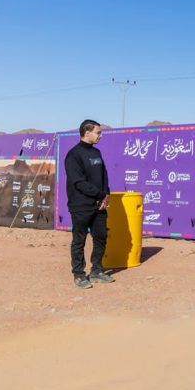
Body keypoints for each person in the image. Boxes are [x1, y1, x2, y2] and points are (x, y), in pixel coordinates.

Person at [64, 119, 113, 289]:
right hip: (81, 205)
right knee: (79, 240)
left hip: (99, 205)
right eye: (98, 132)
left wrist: (105, 196)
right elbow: (79, 182)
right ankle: (79, 275)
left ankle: (96, 271)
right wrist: (100, 195)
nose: (101, 135)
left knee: (101, 237)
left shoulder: (97, 153)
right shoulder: (73, 155)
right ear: (87, 133)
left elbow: (104, 176)